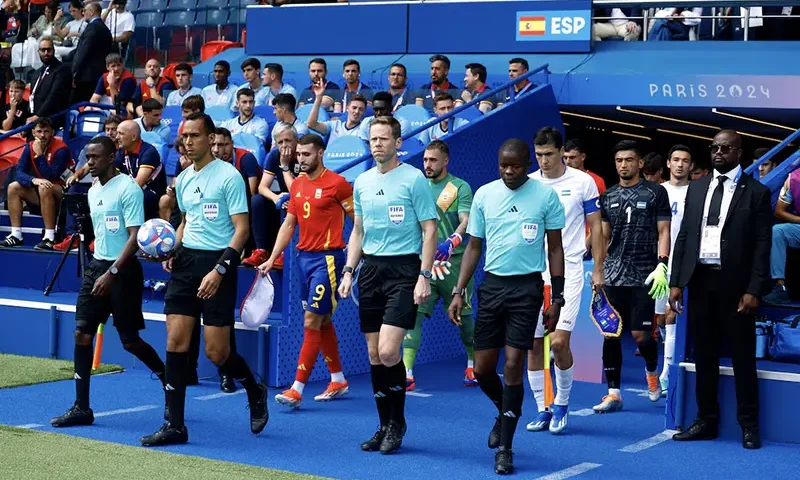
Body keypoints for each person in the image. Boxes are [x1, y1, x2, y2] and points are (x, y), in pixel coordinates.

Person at [139, 113, 268, 447]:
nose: (189, 141)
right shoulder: (182, 179)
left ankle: (254, 388)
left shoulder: (229, 176)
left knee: (217, 352)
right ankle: (176, 425)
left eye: (196, 135)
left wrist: (219, 270)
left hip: (218, 264)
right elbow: (186, 221)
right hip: (186, 263)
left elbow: (242, 230)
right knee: (175, 342)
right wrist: (171, 248)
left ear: (210, 139)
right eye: (185, 136)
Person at [448, 138, 565, 474]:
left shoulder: (545, 196)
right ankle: (505, 409)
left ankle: (505, 448)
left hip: (527, 288)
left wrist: (556, 297)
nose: (509, 171)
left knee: (514, 363)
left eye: (515, 165)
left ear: (527, 163)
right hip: (493, 287)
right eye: (504, 165)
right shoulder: (485, 194)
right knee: (483, 369)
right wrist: (458, 290)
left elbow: (555, 250)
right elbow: (473, 247)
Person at [49, 136, 168, 427]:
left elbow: (133, 236)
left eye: (95, 158)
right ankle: (81, 407)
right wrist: (99, 268)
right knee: (82, 334)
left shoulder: (128, 189)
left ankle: (167, 379)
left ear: (112, 157)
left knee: (130, 342)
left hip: (123, 271)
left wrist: (112, 272)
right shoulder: (93, 189)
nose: (89, 163)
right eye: (87, 157)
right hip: (97, 266)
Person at [338, 116, 437, 455]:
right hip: (371, 270)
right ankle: (383, 425)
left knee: (388, 351)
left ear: (398, 142)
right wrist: (349, 270)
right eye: (372, 139)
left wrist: (424, 276)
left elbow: (429, 230)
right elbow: (358, 231)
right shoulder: (362, 182)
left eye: (383, 138)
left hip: (405, 270)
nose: (377, 144)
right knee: (372, 353)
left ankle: (398, 422)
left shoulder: (414, 179)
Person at [670, 130, 772, 450]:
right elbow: (685, 235)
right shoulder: (697, 187)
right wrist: (676, 281)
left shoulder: (756, 192)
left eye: (726, 148)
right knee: (705, 356)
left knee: (743, 358)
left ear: (738, 153)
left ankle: (749, 425)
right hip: (700, 281)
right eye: (714, 147)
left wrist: (754, 288)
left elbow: (762, 245)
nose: (718, 152)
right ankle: (706, 420)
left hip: (736, 286)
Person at [258, 134, 352, 408]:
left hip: (328, 260)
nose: (300, 159)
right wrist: (272, 257)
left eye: (306, 154)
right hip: (302, 260)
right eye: (298, 155)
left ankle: (296, 388)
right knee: (321, 321)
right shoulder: (297, 185)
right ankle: (338, 379)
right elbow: (289, 225)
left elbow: (358, 222)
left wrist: (353, 263)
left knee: (311, 320)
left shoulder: (338, 184)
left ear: (320, 154)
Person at [526, 127, 604, 435]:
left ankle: (561, 403)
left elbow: (596, 228)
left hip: (569, 273)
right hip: (532, 275)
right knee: (533, 346)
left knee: (558, 343)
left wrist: (598, 269)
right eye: (539, 155)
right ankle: (542, 408)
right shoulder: (528, 183)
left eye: (548, 154)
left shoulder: (583, 182)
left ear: (562, 152)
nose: (543, 161)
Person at [593, 140, 671, 413]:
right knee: (610, 334)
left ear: (639, 163)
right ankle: (613, 393)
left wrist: (662, 264)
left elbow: (663, 231)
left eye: (628, 160)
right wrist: (598, 269)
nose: (623, 165)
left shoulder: (656, 192)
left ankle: (652, 371)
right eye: (619, 161)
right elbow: (602, 237)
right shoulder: (608, 196)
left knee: (640, 335)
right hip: (613, 276)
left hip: (644, 276)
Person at [402, 140, 477, 391]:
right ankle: (407, 372)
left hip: (455, 265)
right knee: (414, 315)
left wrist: (453, 240)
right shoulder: (418, 186)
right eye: (424, 160)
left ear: (445, 161)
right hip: (426, 265)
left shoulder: (459, 187)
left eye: (432, 160)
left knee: (465, 322)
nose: (427, 165)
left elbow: (466, 220)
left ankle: (472, 363)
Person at [654, 145, 693, 394]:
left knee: (672, 313)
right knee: (659, 319)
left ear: (691, 166)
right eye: (676, 160)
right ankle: (669, 355)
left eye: (685, 161)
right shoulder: (658, 192)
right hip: (659, 263)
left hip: (684, 263)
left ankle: (667, 371)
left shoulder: (697, 192)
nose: (680, 165)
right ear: (668, 163)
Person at [0, 118, 73, 250]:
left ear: (52, 132)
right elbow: (19, 172)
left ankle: (49, 237)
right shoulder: (30, 147)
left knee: (45, 187)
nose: (42, 135)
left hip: (63, 193)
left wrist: (39, 155)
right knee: (13, 187)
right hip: (41, 191)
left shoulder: (61, 149)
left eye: (46, 131)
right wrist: (33, 180)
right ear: (33, 132)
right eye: (39, 131)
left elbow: (51, 175)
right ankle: (16, 235)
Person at [114, 120, 166, 221]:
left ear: (133, 137)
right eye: (117, 133)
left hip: (150, 191)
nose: (117, 137)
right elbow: (112, 175)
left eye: (121, 133)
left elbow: (138, 184)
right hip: (130, 189)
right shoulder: (121, 152)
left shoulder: (148, 152)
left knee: (136, 198)